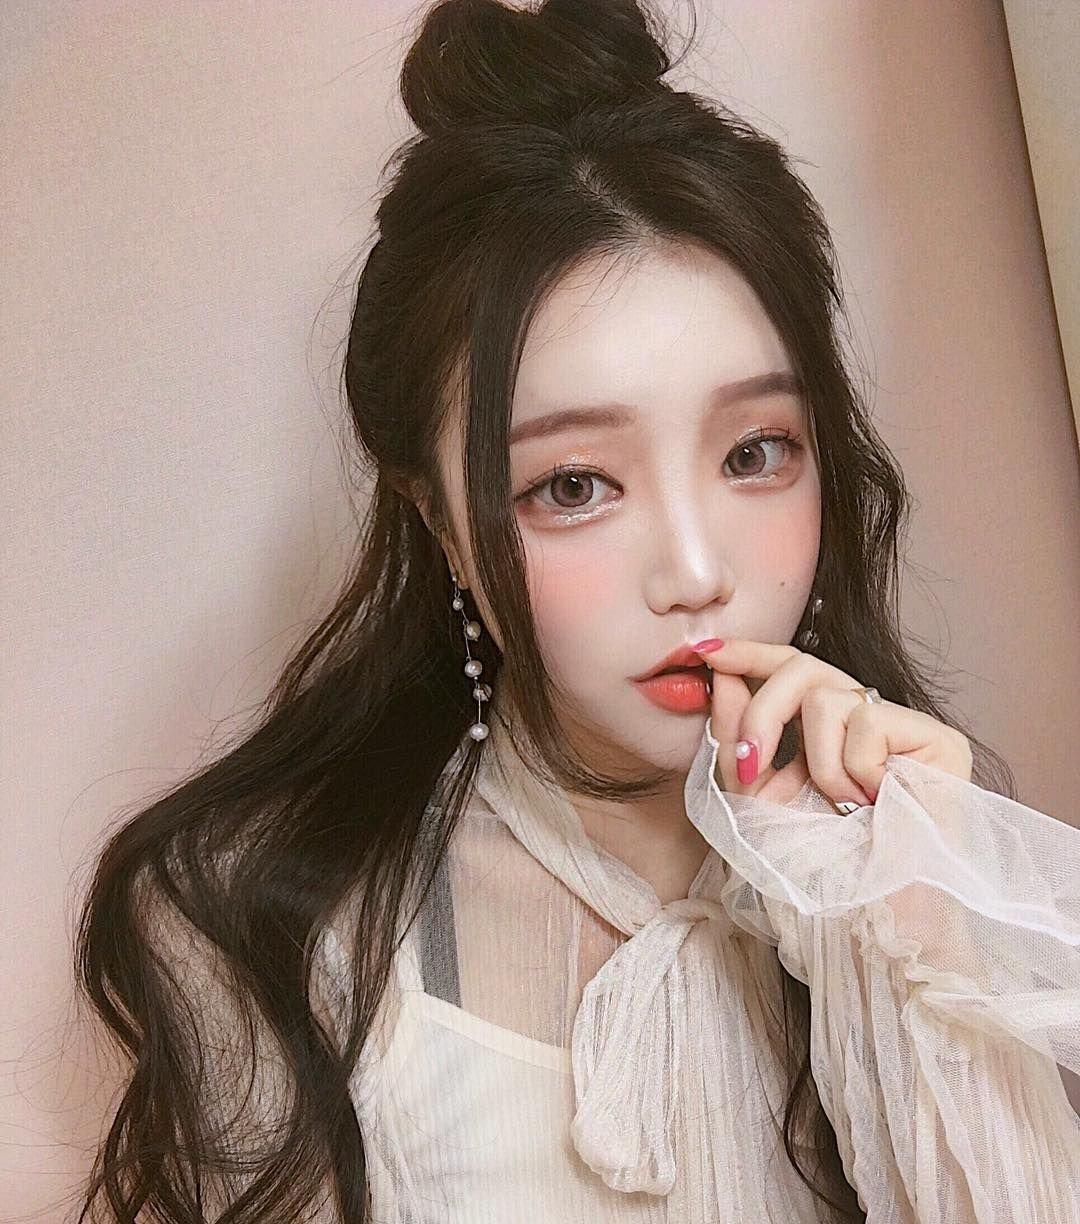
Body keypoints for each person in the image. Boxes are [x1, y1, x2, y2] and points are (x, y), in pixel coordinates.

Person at [75, 1, 1080, 1221]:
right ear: (441, 520)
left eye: (755, 452)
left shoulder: (917, 858)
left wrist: (918, 928)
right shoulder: (271, 924)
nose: (696, 572)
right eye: (573, 485)